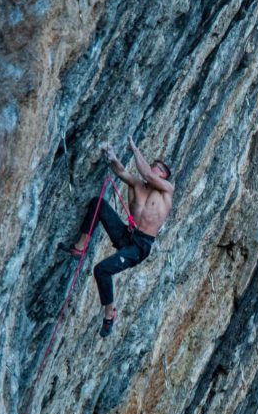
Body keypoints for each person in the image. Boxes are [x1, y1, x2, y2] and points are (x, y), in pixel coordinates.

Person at [60, 136, 174, 337]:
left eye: (155, 167)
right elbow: (121, 171)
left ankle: (109, 313)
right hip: (126, 235)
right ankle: (80, 246)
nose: (151, 168)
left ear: (162, 175)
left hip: (139, 246)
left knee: (102, 270)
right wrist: (112, 157)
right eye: (152, 165)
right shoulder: (139, 185)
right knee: (98, 204)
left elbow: (146, 172)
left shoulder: (166, 191)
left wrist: (133, 147)